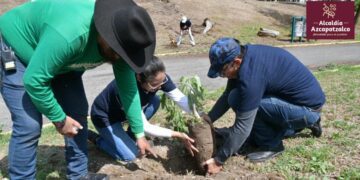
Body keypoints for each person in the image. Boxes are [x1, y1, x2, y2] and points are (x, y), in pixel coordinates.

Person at [0, 0, 157, 179]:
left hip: (61, 61)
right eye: (117, 52)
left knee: (77, 112)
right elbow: (34, 80)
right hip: (18, 47)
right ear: (106, 34)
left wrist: (139, 133)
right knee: (29, 125)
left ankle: (78, 175)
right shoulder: (72, 33)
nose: (118, 58)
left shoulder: (122, 45)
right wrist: (59, 119)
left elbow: (128, 90)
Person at [201, 37, 325, 175]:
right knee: (234, 96)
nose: (222, 76)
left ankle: (272, 145)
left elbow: (243, 126)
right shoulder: (245, 58)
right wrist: (208, 119)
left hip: (307, 109)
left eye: (222, 72)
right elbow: (227, 96)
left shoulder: (251, 76)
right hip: (295, 103)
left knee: (248, 103)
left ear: (236, 62)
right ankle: (303, 123)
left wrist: (219, 160)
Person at [88, 57, 199, 161]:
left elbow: (180, 99)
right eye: (155, 85)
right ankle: (97, 139)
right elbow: (144, 127)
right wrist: (178, 134)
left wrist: (200, 115)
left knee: (155, 101)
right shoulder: (127, 90)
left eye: (163, 81)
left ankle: (130, 135)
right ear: (139, 78)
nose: (160, 86)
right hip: (106, 117)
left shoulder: (159, 78)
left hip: (124, 113)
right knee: (130, 156)